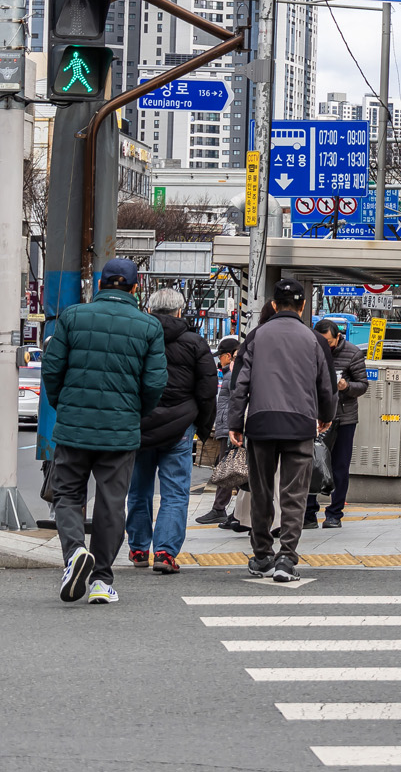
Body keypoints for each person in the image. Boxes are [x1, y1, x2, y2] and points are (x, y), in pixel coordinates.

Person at [43, 257, 166, 605]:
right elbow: (155, 382)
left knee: (67, 494)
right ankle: (101, 579)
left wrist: (62, 405)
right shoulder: (148, 326)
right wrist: (134, 412)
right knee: (112, 503)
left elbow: (52, 370)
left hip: (73, 428)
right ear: (135, 287)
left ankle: (75, 554)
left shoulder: (72, 317)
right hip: (121, 429)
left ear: (100, 285)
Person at [226, 278, 336, 582]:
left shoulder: (255, 337)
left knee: (261, 492)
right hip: (300, 424)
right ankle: (286, 558)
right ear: (302, 306)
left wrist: (235, 423)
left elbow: (240, 385)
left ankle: (262, 556)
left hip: (261, 424)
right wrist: (326, 415)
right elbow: (325, 385)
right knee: (294, 494)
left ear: (274, 305)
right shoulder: (314, 340)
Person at [125, 287, 216, 574]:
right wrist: (202, 428)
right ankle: (165, 553)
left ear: (149, 310)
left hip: (139, 427)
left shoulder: (135, 339)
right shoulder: (195, 342)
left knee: (138, 490)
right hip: (180, 428)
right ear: (180, 312)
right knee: (175, 493)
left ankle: (139, 548)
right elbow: (207, 390)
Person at [306, 318, 370, 529]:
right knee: (311, 465)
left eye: (329, 342)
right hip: (314, 417)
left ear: (338, 337)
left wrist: (345, 386)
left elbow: (362, 385)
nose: (326, 346)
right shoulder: (309, 350)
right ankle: (308, 512)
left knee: (340, 467)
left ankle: (335, 514)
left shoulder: (352, 353)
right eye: (321, 341)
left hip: (344, 418)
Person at [195, 336, 249, 531]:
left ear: (229, 355)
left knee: (229, 468)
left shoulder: (232, 374)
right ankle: (231, 511)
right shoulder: (229, 374)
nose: (220, 361)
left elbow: (235, 402)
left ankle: (221, 509)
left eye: (222, 357)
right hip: (228, 427)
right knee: (230, 467)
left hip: (230, 429)